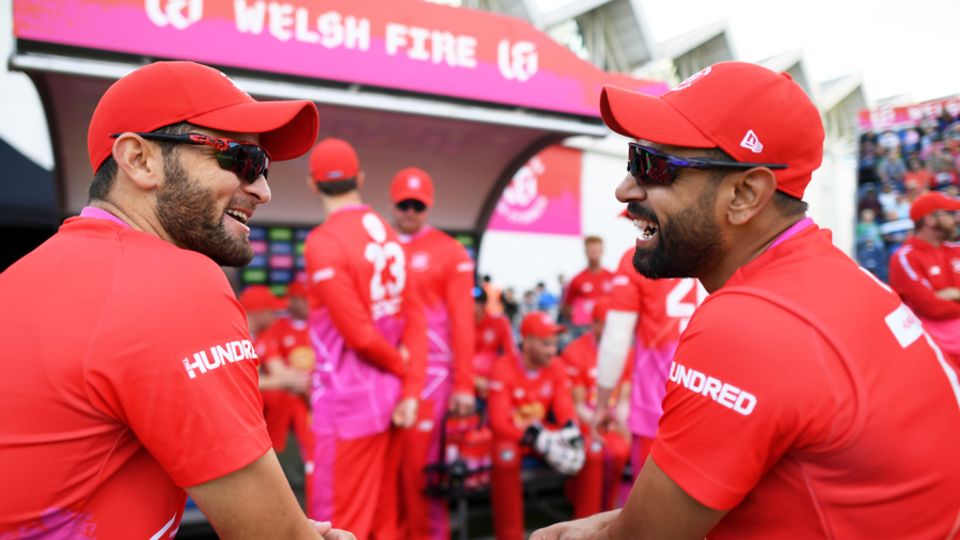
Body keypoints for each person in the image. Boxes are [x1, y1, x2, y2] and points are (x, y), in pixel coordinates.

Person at [533, 61, 960, 539]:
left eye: (652, 166)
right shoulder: (837, 278)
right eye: (634, 158)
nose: (625, 188)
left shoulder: (749, 323)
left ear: (744, 194)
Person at [0, 61, 356, 539]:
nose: (263, 189)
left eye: (263, 166)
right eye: (241, 160)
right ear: (140, 160)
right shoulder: (174, 281)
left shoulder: (20, 276)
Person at [303, 138, 426, 539]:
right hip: (390, 401)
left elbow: (358, 335)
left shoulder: (324, 240)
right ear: (360, 178)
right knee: (383, 522)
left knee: (337, 525)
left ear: (313, 184)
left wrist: (401, 368)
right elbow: (415, 319)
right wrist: (409, 388)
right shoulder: (390, 234)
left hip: (347, 406)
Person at [384, 166, 476, 539]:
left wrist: (464, 384)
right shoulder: (379, 245)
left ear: (429, 206)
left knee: (422, 475)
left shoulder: (449, 250)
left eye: (418, 205)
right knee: (388, 475)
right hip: (384, 372)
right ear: (393, 203)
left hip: (432, 378)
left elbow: (463, 320)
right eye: (404, 204)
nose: (410, 212)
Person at [488, 312, 595, 540]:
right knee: (504, 455)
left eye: (554, 343)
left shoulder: (556, 366)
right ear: (527, 342)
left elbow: (564, 407)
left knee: (589, 448)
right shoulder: (503, 366)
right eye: (546, 344)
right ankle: (510, 535)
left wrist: (571, 429)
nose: (552, 350)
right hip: (516, 437)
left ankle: (584, 530)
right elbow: (498, 422)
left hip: (543, 433)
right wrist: (534, 437)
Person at [560, 301, 631, 512]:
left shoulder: (627, 352)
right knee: (595, 452)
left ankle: (609, 510)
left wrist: (621, 424)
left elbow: (623, 399)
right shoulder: (575, 351)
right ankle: (584, 509)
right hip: (586, 421)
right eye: (607, 325)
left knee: (620, 451)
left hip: (611, 422)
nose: (613, 332)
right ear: (595, 324)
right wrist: (599, 422)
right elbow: (578, 404)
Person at [888, 191, 960, 362]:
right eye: (950, 214)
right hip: (933, 355)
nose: (956, 219)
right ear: (930, 219)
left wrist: (952, 294)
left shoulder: (955, 250)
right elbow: (930, 306)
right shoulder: (905, 257)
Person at [561, 236, 614, 336]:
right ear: (586, 252)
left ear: (602, 251)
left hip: (607, 326)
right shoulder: (577, 279)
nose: (594, 253)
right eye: (591, 250)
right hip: (584, 328)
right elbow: (566, 307)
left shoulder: (612, 277)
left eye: (597, 250)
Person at [473, 286, 517, 398]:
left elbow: (511, 353)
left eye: (477, 303)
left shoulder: (499, 322)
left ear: (483, 305)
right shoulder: (456, 325)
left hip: (493, 381)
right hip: (465, 382)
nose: (472, 306)